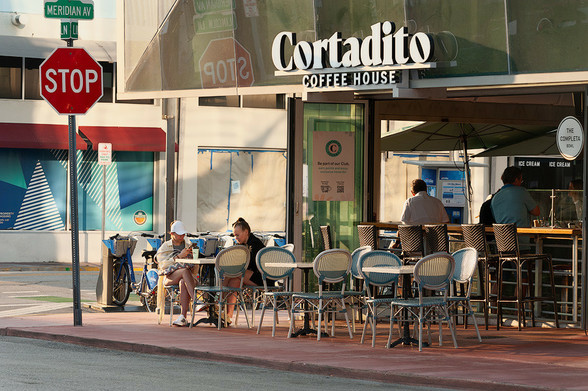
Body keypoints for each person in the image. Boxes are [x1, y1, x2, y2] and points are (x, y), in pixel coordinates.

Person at [156, 220, 197, 326]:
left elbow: (195, 266)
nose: (182, 236)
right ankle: (196, 300)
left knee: (184, 281)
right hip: (169, 277)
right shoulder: (166, 246)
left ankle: (182, 317)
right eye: (179, 234)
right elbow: (162, 265)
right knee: (184, 271)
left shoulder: (188, 245)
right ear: (172, 234)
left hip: (187, 277)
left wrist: (193, 257)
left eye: (183, 234)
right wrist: (179, 257)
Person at [223, 217, 266, 322]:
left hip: (262, 277)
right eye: (234, 235)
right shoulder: (242, 244)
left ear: (246, 232)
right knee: (234, 281)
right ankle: (228, 316)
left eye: (237, 235)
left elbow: (250, 264)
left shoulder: (255, 244)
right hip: (249, 275)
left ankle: (217, 300)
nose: (235, 238)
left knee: (230, 273)